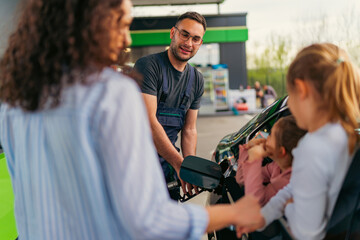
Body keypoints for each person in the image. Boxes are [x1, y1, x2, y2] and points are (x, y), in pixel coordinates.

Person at [0, 0, 263, 239]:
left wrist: (188, 166)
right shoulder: (110, 93)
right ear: (90, 22)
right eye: (122, 24)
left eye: (196, 38)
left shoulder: (14, 98)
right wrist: (233, 213)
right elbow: (147, 220)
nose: (126, 37)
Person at [237, 43, 360, 239]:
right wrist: (265, 216)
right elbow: (295, 186)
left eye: (290, 95)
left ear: (301, 90)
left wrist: (290, 207)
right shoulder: (344, 134)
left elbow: (307, 232)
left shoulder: (313, 147)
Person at [134, 11, 206, 199]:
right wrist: (179, 163)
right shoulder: (148, 66)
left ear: (200, 43)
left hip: (167, 167)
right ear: (173, 33)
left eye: (196, 39)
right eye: (185, 34)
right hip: (136, 165)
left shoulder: (196, 79)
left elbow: (189, 130)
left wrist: (190, 169)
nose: (189, 43)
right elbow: (148, 122)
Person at [236, 115, 307, 206]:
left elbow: (255, 202)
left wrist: (255, 159)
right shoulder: (276, 167)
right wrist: (248, 148)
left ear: (281, 152)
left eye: (271, 135)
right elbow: (242, 179)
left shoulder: (288, 181)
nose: (266, 138)